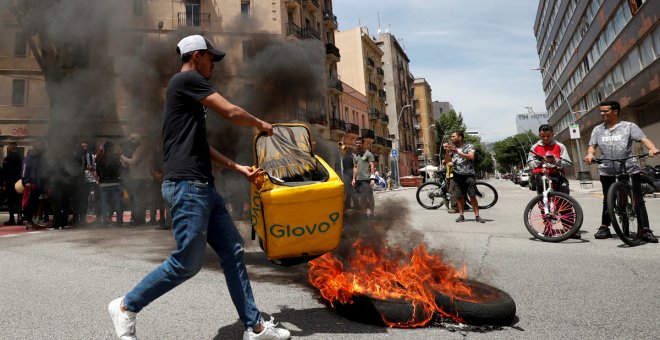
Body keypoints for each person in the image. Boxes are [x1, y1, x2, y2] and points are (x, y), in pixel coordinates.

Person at [108, 35, 291, 340]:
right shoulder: (186, 80)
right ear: (196, 56)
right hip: (187, 186)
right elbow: (231, 111)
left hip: (202, 186)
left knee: (233, 251)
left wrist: (237, 167)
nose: (213, 66)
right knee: (187, 263)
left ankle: (254, 326)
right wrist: (260, 123)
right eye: (210, 59)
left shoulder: (185, 97)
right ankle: (126, 306)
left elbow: (200, 145)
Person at [584, 100, 659, 243]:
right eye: (600, 111)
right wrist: (590, 155)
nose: (602, 114)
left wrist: (652, 148)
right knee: (608, 198)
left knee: (637, 199)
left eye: (605, 111)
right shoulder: (598, 129)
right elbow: (592, 146)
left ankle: (645, 230)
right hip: (607, 169)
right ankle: (604, 227)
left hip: (629, 168)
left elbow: (644, 139)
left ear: (615, 111)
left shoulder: (628, 126)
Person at [443, 131, 485, 223]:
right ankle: (461, 215)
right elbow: (448, 161)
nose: (452, 138)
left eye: (453, 136)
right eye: (451, 137)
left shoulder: (469, 146)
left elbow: (471, 157)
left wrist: (457, 152)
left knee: (472, 196)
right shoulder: (453, 148)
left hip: (469, 175)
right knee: (459, 197)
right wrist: (447, 152)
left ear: (460, 137)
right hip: (457, 176)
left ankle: (477, 216)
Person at [528, 124, 571, 195]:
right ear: (539, 135)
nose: (545, 138)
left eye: (548, 136)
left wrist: (554, 160)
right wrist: (540, 161)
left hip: (558, 177)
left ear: (553, 134)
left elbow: (568, 163)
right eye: (543, 136)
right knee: (543, 201)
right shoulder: (534, 148)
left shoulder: (560, 146)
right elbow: (530, 164)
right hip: (541, 178)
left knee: (564, 200)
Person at [120, 133, 152, 226]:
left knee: (138, 200)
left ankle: (138, 219)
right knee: (138, 200)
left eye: (131, 141)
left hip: (139, 178)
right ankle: (139, 219)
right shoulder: (137, 149)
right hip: (137, 177)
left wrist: (121, 156)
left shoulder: (140, 149)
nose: (130, 144)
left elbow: (133, 162)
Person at [351, 136, 376, 217]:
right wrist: (354, 179)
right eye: (357, 143)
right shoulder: (355, 155)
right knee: (362, 197)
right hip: (359, 180)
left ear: (363, 143)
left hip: (367, 179)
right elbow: (355, 167)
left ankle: (372, 212)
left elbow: (372, 166)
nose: (358, 144)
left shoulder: (368, 154)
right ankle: (364, 212)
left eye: (360, 143)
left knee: (369, 197)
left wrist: (372, 178)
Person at [2, 142, 24, 225]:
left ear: (12, 147)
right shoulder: (21, 157)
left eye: (9, 146)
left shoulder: (8, 158)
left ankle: (11, 219)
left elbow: (5, 171)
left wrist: (3, 182)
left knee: (10, 202)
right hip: (19, 182)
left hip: (10, 182)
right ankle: (20, 217)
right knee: (19, 201)